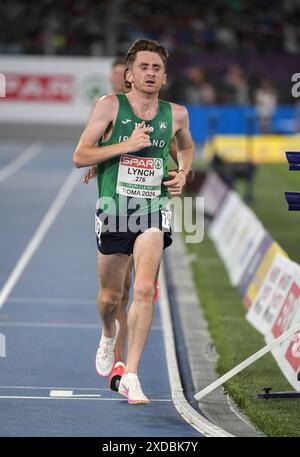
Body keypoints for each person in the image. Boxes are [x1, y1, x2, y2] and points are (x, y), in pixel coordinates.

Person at [73, 39, 194, 404]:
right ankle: (109, 332)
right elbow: (80, 155)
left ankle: (132, 375)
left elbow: (186, 147)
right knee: (111, 298)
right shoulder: (109, 106)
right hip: (113, 208)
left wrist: (183, 174)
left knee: (142, 289)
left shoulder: (176, 114)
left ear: (165, 76)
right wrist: (123, 146)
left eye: (157, 68)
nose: (150, 73)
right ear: (129, 74)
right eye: (144, 67)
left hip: (152, 208)